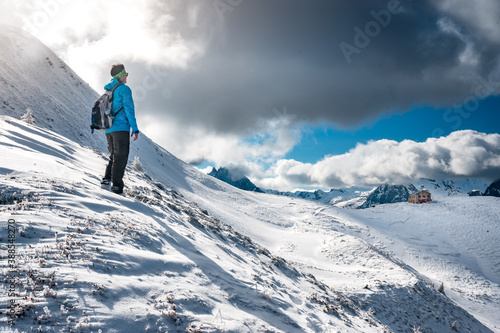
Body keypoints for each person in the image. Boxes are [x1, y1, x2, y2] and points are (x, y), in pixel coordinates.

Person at [100, 64, 140, 194]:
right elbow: (129, 109)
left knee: (114, 155)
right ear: (121, 75)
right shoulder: (124, 89)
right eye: (125, 74)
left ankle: (107, 179)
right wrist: (134, 128)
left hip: (108, 129)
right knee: (121, 156)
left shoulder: (108, 90)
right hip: (120, 127)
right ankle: (117, 186)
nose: (126, 76)